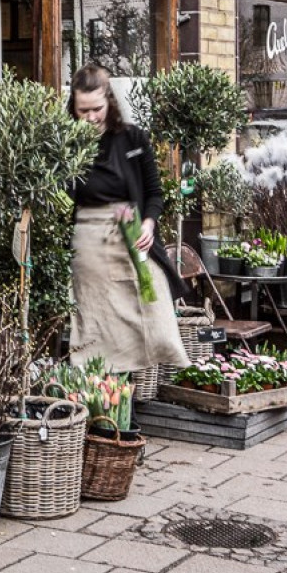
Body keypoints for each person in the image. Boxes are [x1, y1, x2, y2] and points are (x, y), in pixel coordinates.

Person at [67, 63, 190, 374]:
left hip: (133, 232)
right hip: (90, 240)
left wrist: (149, 223)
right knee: (98, 322)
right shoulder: (66, 144)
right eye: (83, 111)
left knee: (155, 306)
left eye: (97, 108)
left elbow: (155, 192)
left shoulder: (134, 138)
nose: (91, 117)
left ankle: (138, 385)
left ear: (109, 101)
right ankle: (112, 394)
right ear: (73, 107)